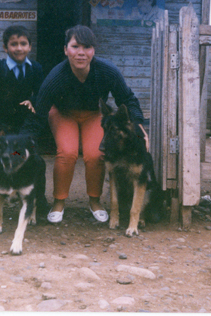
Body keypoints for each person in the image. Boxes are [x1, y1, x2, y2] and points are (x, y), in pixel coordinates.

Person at [21, 25, 148, 223]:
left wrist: (140, 127)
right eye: (75, 46)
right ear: (65, 50)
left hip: (93, 115)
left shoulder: (107, 71)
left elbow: (128, 99)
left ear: (93, 50)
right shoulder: (56, 77)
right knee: (67, 151)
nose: (81, 53)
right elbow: (40, 111)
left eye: (87, 47)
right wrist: (23, 140)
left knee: (96, 153)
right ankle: (59, 201)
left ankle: (95, 201)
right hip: (63, 114)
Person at [0, 25, 50, 224]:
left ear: (29, 47)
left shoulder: (35, 68)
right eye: (14, 44)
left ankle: (39, 205)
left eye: (23, 44)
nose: (19, 48)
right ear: (5, 47)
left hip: (26, 129)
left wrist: (33, 101)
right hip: (5, 128)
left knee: (35, 163)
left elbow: (41, 94)